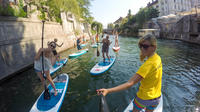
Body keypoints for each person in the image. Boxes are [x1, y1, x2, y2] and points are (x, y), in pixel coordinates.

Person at [97, 34, 162, 112]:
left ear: (154, 47)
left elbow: (129, 84)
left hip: (144, 98)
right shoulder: (157, 58)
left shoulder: (148, 65)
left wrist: (108, 90)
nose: (141, 48)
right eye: (140, 45)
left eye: (145, 46)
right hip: (157, 98)